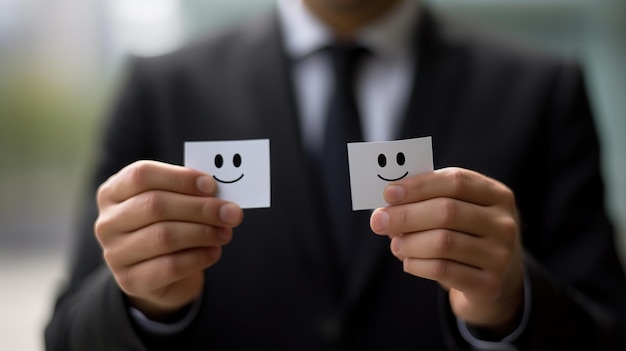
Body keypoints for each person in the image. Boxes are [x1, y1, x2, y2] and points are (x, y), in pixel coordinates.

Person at [45, 0, 626, 350]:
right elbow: (67, 336)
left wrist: (513, 302)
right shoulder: (162, 91)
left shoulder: (541, 91)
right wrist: (144, 305)